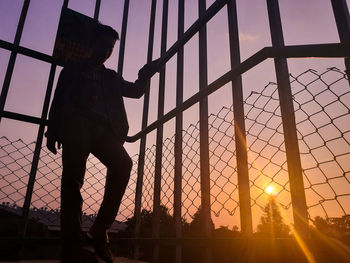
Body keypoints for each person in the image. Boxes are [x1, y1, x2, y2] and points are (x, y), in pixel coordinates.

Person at [46, 23, 159, 263]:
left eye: (111, 48)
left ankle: (99, 230)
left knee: (123, 165)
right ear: (92, 44)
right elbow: (58, 99)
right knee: (72, 181)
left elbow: (136, 91)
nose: (107, 51)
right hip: (76, 123)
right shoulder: (73, 69)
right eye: (103, 45)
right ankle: (72, 246)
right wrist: (52, 129)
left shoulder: (110, 76)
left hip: (102, 130)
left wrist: (145, 75)